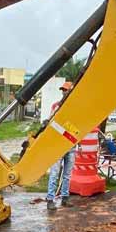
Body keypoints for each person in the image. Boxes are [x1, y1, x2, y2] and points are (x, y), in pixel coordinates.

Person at [46, 82, 76, 210]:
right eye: (63, 90)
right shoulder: (56, 106)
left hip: (71, 145)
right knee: (54, 173)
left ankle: (65, 198)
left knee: (67, 174)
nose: (64, 92)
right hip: (58, 145)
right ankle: (50, 199)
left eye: (66, 90)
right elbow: (51, 123)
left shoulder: (76, 108)